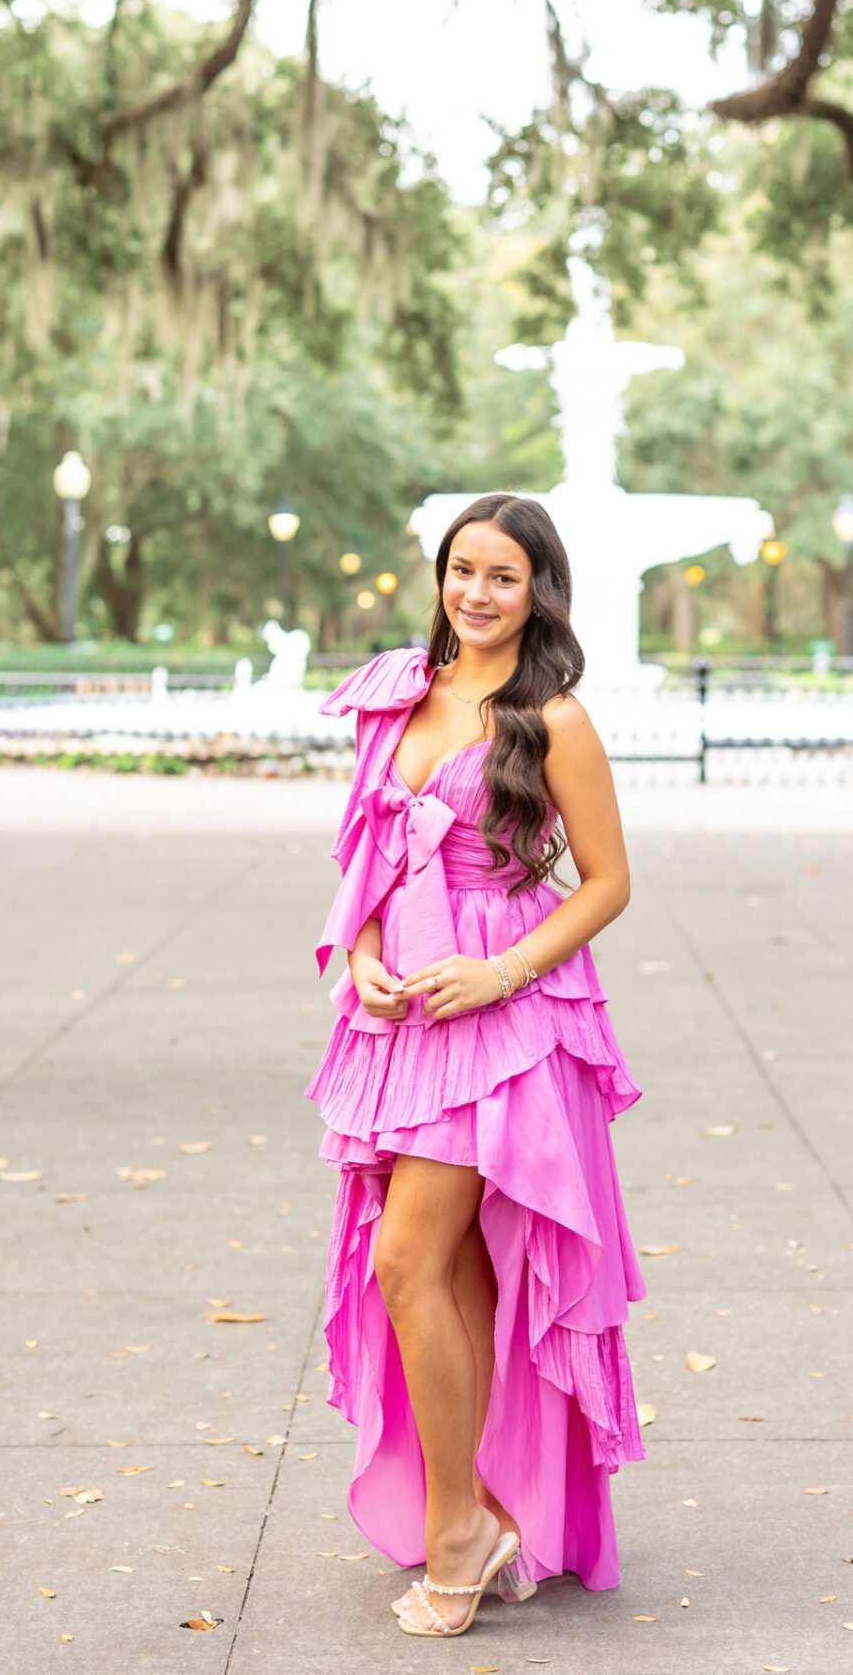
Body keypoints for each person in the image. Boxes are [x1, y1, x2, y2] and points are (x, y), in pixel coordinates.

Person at [306, 492, 645, 1639]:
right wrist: (358, 957)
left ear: (539, 589)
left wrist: (501, 977)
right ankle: (490, 1506)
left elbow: (605, 882)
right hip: (399, 1007)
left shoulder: (550, 719)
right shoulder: (398, 692)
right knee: (449, 1276)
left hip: (496, 1015)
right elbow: (363, 851)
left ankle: (459, 1530)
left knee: (406, 1261)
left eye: (503, 575)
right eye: (462, 570)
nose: (476, 593)